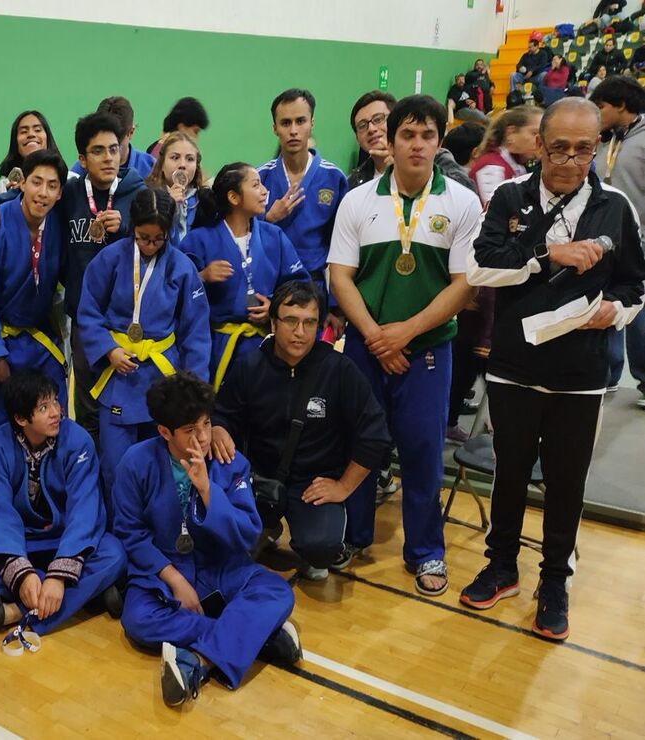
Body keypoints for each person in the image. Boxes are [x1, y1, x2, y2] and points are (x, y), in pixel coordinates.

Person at [464, 97, 645, 640]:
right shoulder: (509, 197)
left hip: (582, 373)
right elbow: (481, 268)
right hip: (515, 365)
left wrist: (617, 312)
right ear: (539, 144)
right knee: (510, 474)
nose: (569, 160)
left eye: (583, 149)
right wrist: (546, 256)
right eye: (559, 147)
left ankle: (554, 580)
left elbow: (634, 282)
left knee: (566, 483)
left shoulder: (615, 207)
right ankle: (501, 567)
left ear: (599, 149)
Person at [327, 95, 483, 595]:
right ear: (389, 142)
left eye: (427, 136)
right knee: (358, 443)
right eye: (407, 135)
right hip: (366, 347)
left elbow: (465, 286)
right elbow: (339, 277)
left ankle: (426, 551)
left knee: (421, 450)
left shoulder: (461, 203)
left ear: (439, 142)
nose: (417, 145)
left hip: (428, 350)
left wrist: (405, 332)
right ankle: (352, 535)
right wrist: (376, 336)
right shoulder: (358, 200)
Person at [114, 372, 300, 709]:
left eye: (206, 424)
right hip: (166, 567)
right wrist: (173, 579)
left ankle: (198, 661)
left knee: (277, 591)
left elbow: (247, 532)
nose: (202, 437)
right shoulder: (136, 463)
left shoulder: (230, 462)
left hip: (221, 565)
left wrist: (207, 489)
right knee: (137, 621)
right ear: (163, 432)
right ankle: (256, 634)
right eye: (190, 431)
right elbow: (130, 533)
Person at [0, 112, 147, 444]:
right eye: (97, 150)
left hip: (117, 323)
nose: (43, 192)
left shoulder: (131, 194)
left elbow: (156, 234)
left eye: (114, 148)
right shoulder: (51, 201)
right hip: (32, 335)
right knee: (12, 425)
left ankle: (77, 487)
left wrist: (125, 227)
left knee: (77, 417)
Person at [211, 281, 389, 580]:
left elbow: (376, 433)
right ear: (273, 322)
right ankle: (265, 526)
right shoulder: (249, 366)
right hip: (259, 479)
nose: (300, 332)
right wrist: (217, 428)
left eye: (309, 323)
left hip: (312, 483)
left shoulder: (340, 370)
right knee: (226, 547)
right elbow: (222, 413)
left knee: (321, 550)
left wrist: (343, 486)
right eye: (291, 321)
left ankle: (309, 538)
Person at [0, 370, 126, 640]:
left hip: (64, 541)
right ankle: (88, 592)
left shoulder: (78, 440)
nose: (56, 413)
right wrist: (23, 574)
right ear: (21, 418)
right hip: (21, 543)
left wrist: (59, 575)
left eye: (56, 402)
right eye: (44, 407)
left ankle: (10, 612)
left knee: (114, 553)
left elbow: (85, 510)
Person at [77, 187, 210, 504]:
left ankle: (160, 527)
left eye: (158, 239)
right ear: (131, 227)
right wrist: (108, 349)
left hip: (164, 378)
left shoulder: (182, 267)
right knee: (116, 465)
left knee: (163, 464)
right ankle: (119, 534)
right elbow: (88, 310)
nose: (150, 245)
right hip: (120, 372)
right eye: (142, 237)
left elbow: (196, 332)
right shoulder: (109, 259)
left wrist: (193, 390)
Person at [0, 150, 69, 435]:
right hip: (1, 344)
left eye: (52, 186)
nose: (43, 193)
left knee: (56, 420)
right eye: (37, 182)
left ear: (61, 193)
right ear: (21, 182)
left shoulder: (58, 224)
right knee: (0, 428)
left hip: (39, 340)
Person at [181, 162, 310, 389]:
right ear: (234, 197)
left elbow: (300, 285)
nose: (264, 192)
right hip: (216, 348)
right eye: (256, 185)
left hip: (265, 345)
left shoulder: (274, 236)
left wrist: (275, 307)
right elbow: (174, 290)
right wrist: (201, 276)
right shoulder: (198, 239)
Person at [258, 88, 349, 327]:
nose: (293, 131)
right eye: (285, 123)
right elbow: (243, 239)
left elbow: (343, 248)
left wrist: (336, 308)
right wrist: (268, 218)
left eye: (300, 121)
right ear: (274, 128)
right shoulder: (260, 178)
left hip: (314, 289)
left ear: (311, 123)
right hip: (269, 290)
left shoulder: (334, 178)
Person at [590, 75, 645, 403]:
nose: (597, 112)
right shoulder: (604, 141)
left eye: (602, 106)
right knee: (605, 304)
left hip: (639, 242)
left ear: (622, 106)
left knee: (637, 314)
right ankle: (608, 373)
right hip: (604, 240)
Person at [347, 90, 477, 193]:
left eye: (378, 119)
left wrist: (405, 168)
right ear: (357, 138)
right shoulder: (354, 181)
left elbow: (467, 190)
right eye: (362, 125)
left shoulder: (435, 156)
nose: (371, 129)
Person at [469, 106, 544, 206]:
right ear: (511, 132)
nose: (540, 140)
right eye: (534, 133)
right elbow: (492, 215)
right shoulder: (493, 167)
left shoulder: (517, 165)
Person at [71, 96, 156, 180]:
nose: (108, 157)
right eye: (98, 151)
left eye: (115, 145)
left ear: (131, 133)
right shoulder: (77, 173)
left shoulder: (152, 168)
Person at [145, 131, 208, 243]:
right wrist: (167, 207)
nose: (182, 165)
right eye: (175, 158)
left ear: (197, 166)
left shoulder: (205, 202)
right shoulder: (147, 198)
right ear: (162, 164)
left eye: (190, 159)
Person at [0, 110, 61, 195]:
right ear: (15, 143)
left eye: (37, 130)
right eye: (24, 132)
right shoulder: (4, 185)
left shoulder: (68, 179)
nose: (31, 134)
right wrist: (8, 197)